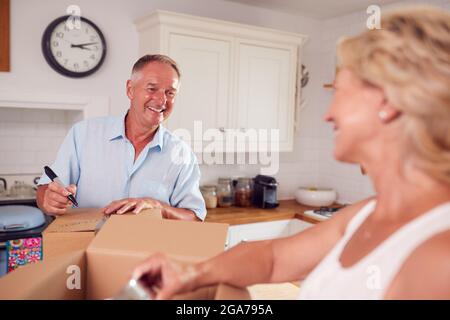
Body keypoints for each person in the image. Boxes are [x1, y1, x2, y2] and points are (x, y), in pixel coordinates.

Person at [131, 7, 450, 299]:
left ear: (388, 104)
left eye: (340, 92)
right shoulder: (366, 214)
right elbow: (272, 259)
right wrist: (190, 273)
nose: (328, 114)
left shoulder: (437, 256)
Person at [36, 54, 206, 221]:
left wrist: (159, 208)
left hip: (150, 248)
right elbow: (45, 190)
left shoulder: (182, 153)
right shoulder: (83, 134)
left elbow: (195, 217)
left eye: (170, 93)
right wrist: (49, 199)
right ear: (130, 90)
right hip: (85, 245)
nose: (162, 100)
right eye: (152, 89)